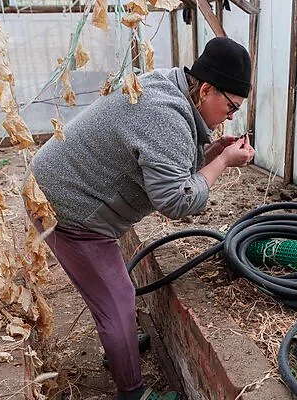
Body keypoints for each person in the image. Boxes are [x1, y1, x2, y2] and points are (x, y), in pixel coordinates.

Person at [24, 37, 255, 400]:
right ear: (206, 88)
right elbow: (176, 201)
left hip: (64, 186)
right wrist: (222, 163)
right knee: (116, 301)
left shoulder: (169, 88)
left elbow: (169, 163)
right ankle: (132, 391)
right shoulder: (164, 116)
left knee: (112, 296)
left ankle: (122, 344)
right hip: (66, 206)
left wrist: (211, 152)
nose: (230, 117)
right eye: (230, 107)